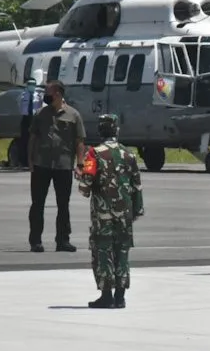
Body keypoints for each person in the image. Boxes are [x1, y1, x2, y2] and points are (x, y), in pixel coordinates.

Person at [78, 115, 144, 309]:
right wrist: (136, 210)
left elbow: (85, 184)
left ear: (100, 130)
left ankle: (106, 296)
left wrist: (81, 179)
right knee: (122, 251)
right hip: (125, 213)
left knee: (103, 251)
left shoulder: (94, 154)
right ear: (117, 130)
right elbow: (137, 185)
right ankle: (120, 297)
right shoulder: (129, 154)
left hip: (103, 214)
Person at [28, 80, 86, 253]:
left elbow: (79, 141)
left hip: (63, 165)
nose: (46, 96)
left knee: (63, 204)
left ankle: (63, 240)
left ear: (58, 94)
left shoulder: (73, 115)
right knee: (37, 204)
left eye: (49, 93)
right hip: (41, 164)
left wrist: (80, 164)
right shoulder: (40, 114)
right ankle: (35, 241)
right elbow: (32, 138)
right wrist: (30, 160)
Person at [18, 77, 44, 168]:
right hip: (25, 118)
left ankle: (34, 160)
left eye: (33, 84)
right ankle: (24, 161)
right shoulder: (22, 95)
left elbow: (41, 106)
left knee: (35, 140)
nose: (31, 86)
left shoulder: (39, 96)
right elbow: (19, 105)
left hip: (34, 118)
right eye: (29, 84)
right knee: (24, 139)